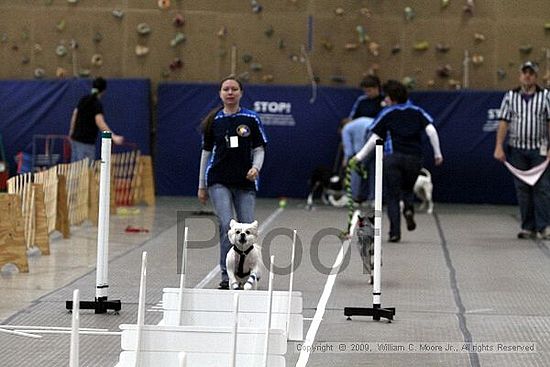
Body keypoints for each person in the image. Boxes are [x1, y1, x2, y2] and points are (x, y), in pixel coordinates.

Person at [350, 80, 443, 242]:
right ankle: (408, 209)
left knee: (392, 195)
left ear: (391, 99)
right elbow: (431, 131)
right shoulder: (418, 111)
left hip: (393, 158)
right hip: (414, 158)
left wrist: (359, 157)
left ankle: (394, 232)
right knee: (407, 189)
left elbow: (375, 138)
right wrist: (437, 153)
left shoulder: (388, 113)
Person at [197, 76, 268, 289]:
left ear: (240, 93)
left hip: (245, 183)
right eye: (226, 89)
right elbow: (206, 153)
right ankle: (227, 276)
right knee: (228, 225)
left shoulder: (251, 119)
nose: (230, 92)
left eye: (234, 89)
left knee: (247, 228)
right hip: (218, 180)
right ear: (220, 93)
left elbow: (259, 149)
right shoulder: (214, 121)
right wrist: (201, 185)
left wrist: (256, 168)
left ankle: (248, 272)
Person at [494, 61, 550, 240]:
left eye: (531, 73)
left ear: (536, 76)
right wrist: (498, 146)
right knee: (522, 189)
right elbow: (504, 121)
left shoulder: (546, 96)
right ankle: (528, 227)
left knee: (542, 188)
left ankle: (544, 226)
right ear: (520, 75)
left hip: (538, 149)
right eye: (525, 73)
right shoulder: (511, 96)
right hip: (517, 148)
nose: (528, 76)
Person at [341, 75, 385, 204]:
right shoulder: (361, 101)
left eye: (369, 90)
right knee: (358, 165)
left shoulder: (384, 101)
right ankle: (354, 195)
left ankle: (374, 198)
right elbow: (352, 118)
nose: (367, 93)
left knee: (375, 168)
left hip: (379, 137)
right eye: (365, 91)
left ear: (377, 88)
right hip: (361, 138)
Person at [68, 77, 124, 162]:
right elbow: (100, 122)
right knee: (86, 171)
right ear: (104, 91)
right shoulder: (96, 104)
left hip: (75, 140)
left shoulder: (84, 99)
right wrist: (113, 137)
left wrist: (71, 132)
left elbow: (75, 114)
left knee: (75, 170)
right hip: (86, 143)